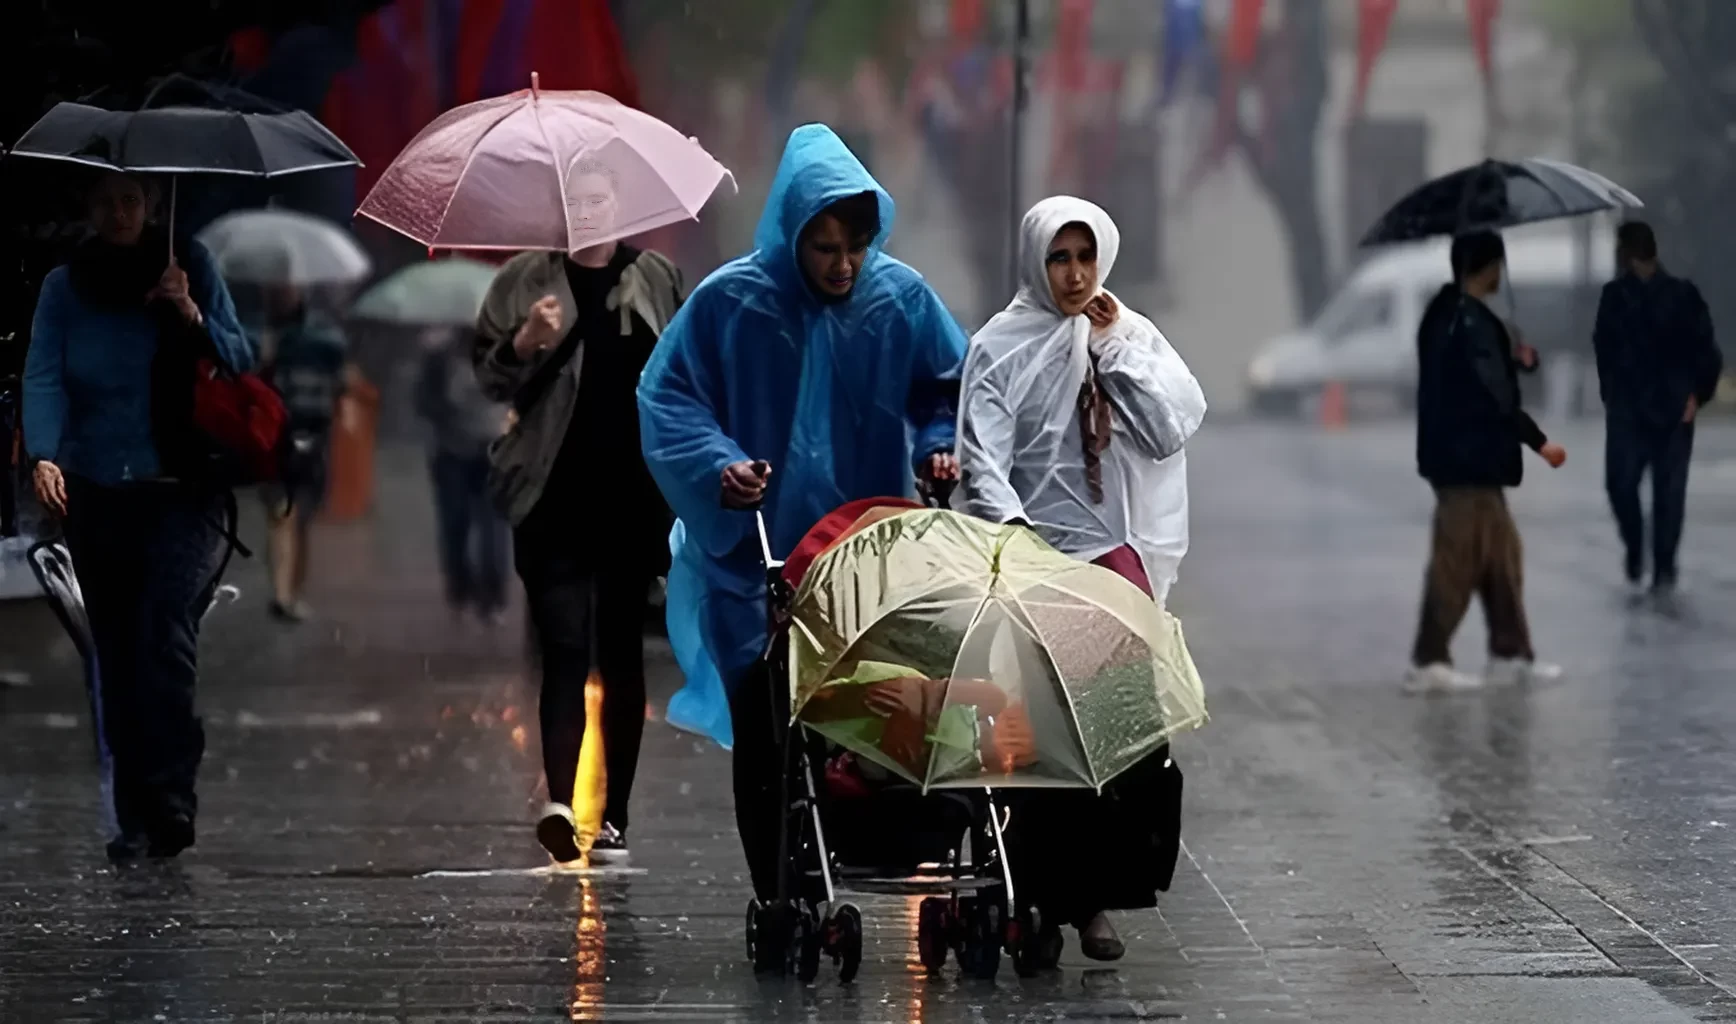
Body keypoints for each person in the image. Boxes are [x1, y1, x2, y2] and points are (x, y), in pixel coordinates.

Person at [637, 124, 967, 935]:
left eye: (853, 246)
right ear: (792, 235)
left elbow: (948, 391)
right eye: (823, 247)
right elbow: (669, 398)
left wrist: (936, 453)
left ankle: (836, 858)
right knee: (766, 719)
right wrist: (721, 466)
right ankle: (781, 887)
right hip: (756, 563)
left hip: (867, 554)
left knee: (864, 712)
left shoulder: (901, 301)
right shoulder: (731, 304)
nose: (841, 265)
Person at [955, 196, 1204, 963]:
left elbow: (1166, 431)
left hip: (1109, 559)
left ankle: (1102, 896)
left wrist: (1113, 349)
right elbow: (981, 457)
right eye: (1060, 259)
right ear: (1037, 260)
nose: (1074, 275)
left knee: (1124, 738)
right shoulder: (998, 348)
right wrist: (1018, 539)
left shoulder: (1117, 332)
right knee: (1042, 744)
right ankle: (1051, 895)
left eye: (1085, 258)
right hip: (1032, 563)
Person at [24, 171, 253, 861]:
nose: (120, 212)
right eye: (106, 201)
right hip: (97, 488)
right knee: (117, 653)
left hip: (180, 488)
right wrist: (45, 454)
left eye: (131, 199)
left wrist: (189, 313)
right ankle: (133, 815)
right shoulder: (66, 288)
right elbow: (44, 373)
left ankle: (173, 795)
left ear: (151, 204)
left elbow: (240, 358)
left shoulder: (191, 265)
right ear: (90, 209)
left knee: (165, 633)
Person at [474, 158, 683, 865]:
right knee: (563, 645)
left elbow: (684, 373)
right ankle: (562, 802)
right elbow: (487, 373)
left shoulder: (653, 278)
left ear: (618, 203)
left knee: (621, 652)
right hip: (551, 496)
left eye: (598, 198)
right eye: (574, 200)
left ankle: (615, 814)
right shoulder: (524, 280)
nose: (587, 211)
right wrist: (525, 342)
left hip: (631, 499)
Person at [1407, 230, 1566, 693]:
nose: (1503, 272)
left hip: (1467, 460)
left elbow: (1487, 372)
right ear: (1488, 266)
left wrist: (1515, 355)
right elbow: (1493, 394)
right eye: (1499, 262)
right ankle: (1428, 660)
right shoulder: (1467, 321)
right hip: (1465, 461)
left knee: (1501, 557)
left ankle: (1509, 653)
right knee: (1455, 561)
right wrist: (1539, 442)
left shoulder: (1455, 317)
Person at [1592, 221, 1722, 593]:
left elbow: (1705, 352)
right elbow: (1604, 350)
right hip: (1630, 409)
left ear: (1629, 253)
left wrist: (1697, 394)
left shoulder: (1682, 296)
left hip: (1673, 407)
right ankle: (1636, 546)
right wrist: (1611, 395)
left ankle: (1664, 565)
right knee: (1620, 485)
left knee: (1669, 493)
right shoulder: (1614, 297)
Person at [255, 282, 351, 623]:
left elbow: (339, 381)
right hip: (275, 437)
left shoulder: (321, 338)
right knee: (282, 515)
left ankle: (292, 591)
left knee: (302, 519)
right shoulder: (262, 335)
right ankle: (282, 594)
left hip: (312, 437)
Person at [414, 327, 510, 624]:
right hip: (452, 451)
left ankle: (491, 596)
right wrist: (446, 411)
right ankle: (461, 589)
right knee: (456, 524)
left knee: (493, 528)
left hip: (494, 452)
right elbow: (423, 400)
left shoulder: (512, 350)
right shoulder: (439, 355)